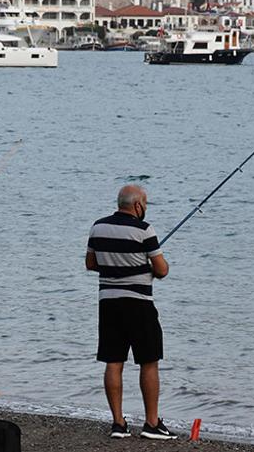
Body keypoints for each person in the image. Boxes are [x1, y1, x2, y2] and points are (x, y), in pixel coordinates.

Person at [86, 184, 177, 440]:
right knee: (149, 361)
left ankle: (118, 423)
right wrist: (144, 265)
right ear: (137, 205)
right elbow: (161, 270)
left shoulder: (98, 227)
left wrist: (117, 266)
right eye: (145, 204)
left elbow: (91, 263)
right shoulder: (144, 230)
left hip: (109, 304)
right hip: (139, 304)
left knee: (113, 361)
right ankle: (151, 423)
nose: (145, 208)